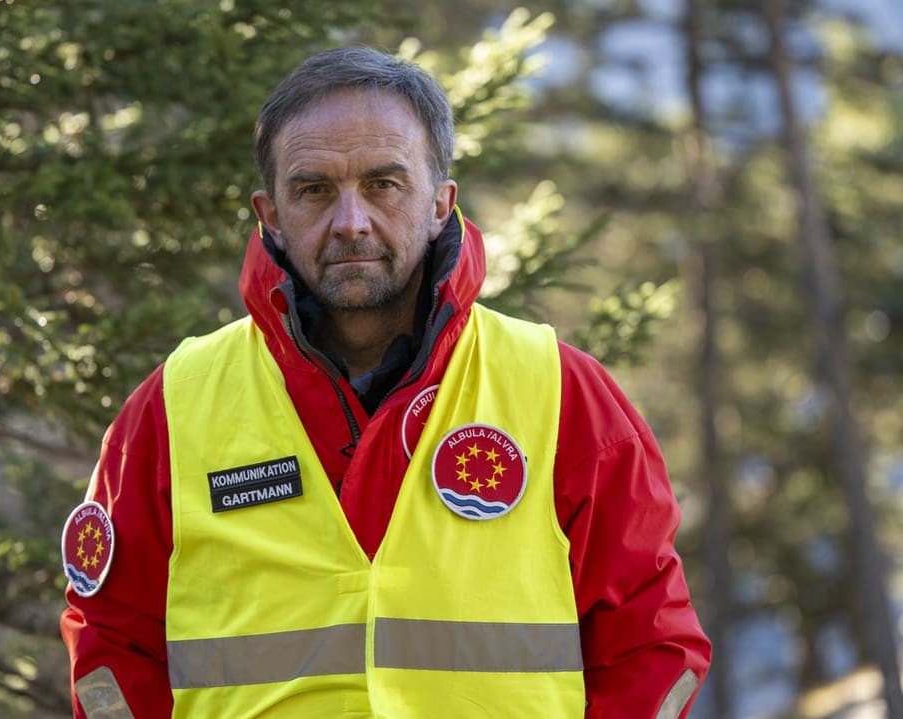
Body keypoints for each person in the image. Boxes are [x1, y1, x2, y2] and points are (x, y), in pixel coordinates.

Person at [60, 46, 711, 718]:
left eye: (383, 184)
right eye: (314, 189)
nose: (350, 222)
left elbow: (652, 646)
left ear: (439, 203)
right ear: (271, 213)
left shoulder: (563, 394)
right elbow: (109, 648)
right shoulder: (174, 406)